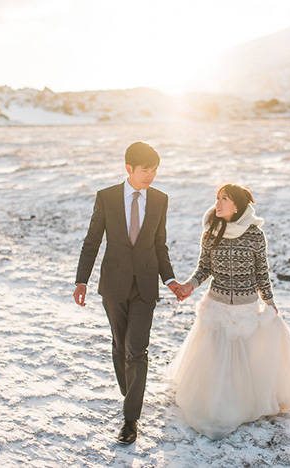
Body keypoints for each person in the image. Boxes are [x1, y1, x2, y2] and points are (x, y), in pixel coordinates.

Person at [169, 184, 290, 440]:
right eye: (217, 198)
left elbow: (261, 273)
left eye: (224, 199)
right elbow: (204, 268)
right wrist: (189, 285)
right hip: (217, 307)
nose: (218, 204)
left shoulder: (255, 235)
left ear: (238, 206)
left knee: (243, 363)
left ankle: (243, 402)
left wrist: (269, 301)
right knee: (216, 362)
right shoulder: (211, 233)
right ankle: (217, 401)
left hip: (245, 308)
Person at [73, 142, 182, 445]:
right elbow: (92, 241)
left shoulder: (160, 200)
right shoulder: (106, 198)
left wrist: (170, 279)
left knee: (137, 350)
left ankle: (130, 419)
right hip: (114, 284)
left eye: (155, 169)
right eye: (145, 169)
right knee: (120, 344)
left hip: (146, 285)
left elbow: (160, 244)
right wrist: (81, 281)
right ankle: (129, 387)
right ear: (129, 169)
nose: (151, 175)